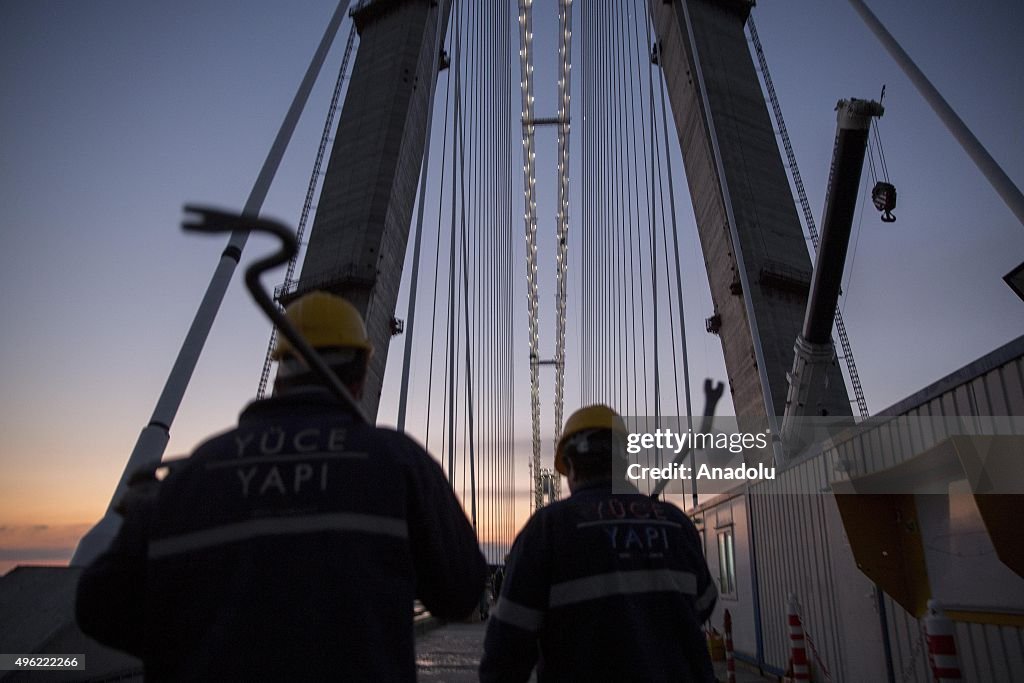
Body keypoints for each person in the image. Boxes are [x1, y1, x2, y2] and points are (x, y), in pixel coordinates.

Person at [76, 291, 486, 681]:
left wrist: (194, 653)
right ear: (361, 374)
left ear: (280, 375)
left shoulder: (193, 472)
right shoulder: (396, 462)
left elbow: (98, 606)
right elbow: (462, 591)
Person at [480, 404, 718, 682]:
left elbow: (506, 649)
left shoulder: (547, 530)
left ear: (569, 466)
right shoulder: (676, 523)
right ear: (625, 460)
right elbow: (704, 605)